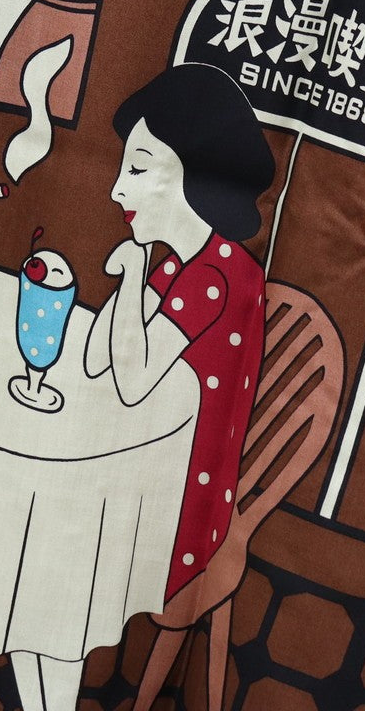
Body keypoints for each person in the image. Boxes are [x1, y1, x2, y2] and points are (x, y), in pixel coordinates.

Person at [84, 61, 276, 600]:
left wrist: (133, 275)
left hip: (172, 516)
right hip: (142, 467)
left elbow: (132, 381)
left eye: (138, 170)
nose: (117, 190)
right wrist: (137, 274)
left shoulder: (216, 275)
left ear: (194, 174)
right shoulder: (181, 264)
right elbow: (97, 359)